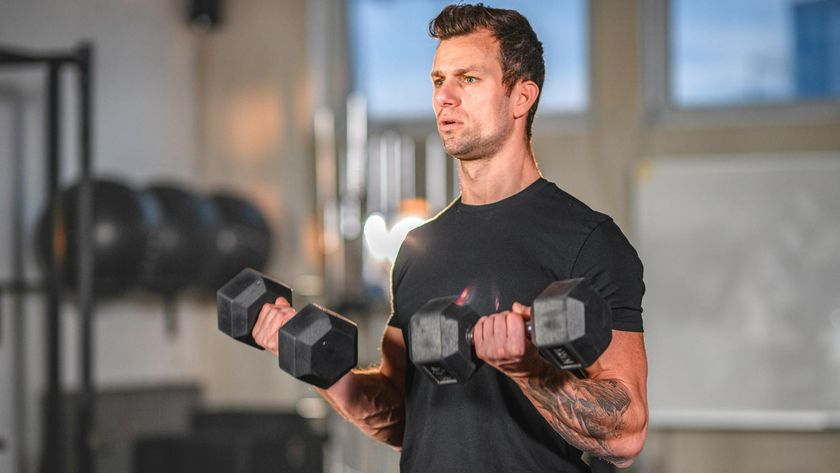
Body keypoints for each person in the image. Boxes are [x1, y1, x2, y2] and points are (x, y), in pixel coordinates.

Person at [251, 3, 648, 472]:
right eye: (439, 80)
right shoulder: (420, 249)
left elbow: (626, 435)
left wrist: (527, 368)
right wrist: (308, 360)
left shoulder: (587, 239)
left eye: (469, 79)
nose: (445, 97)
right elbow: (402, 417)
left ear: (521, 97)